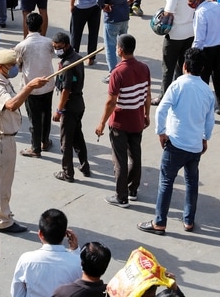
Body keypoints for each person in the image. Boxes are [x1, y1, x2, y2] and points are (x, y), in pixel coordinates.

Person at [137, 48, 215, 235]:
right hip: (195, 146)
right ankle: (188, 221)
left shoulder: (177, 85)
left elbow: (162, 109)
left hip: (175, 144)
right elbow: (209, 119)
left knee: (166, 182)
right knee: (191, 182)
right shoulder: (207, 91)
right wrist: (205, 138)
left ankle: (160, 222)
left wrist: (161, 132)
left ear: (184, 66)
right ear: (202, 68)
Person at [0, 49, 48, 233]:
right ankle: (3, 219)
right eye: (12, 66)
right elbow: (10, 105)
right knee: (3, 178)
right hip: (2, 137)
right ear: (2, 67)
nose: (15, 69)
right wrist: (29, 88)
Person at [95, 34, 151, 205]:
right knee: (135, 155)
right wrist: (146, 114)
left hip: (120, 122)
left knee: (120, 160)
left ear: (120, 49)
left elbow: (111, 101)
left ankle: (121, 196)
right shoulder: (144, 68)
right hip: (137, 120)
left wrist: (102, 123)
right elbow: (147, 95)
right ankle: (133, 189)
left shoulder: (117, 72)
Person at [187, 0, 220, 118]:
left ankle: (202, 110)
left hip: (205, 50)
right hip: (217, 47)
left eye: (190, 1)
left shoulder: (200, 12)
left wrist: (192, 55)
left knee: (202, 81)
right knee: (218, 77)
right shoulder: (216, 5)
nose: (189, 3)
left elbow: (199, 39)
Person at [11, 208, 82, 296]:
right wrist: (75, 251)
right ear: (65, 234)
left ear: (40, 234)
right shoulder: (77, 263)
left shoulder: (26, 260)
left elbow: (17, 293)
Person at [14, 12, 55, 158]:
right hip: (48, 83)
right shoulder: (49, 42)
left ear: (27, 25)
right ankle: (44, 141)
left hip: (31, 87)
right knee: (46, 113)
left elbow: (17, 66)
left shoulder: (21, 46)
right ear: (41, 26)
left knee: (34, 118)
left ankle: (35, 148)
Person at [52, 32, 90, 182]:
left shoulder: (68, 65)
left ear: (66, 46)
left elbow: (66, 90)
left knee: (66, 142)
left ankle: (67, 173)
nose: (56, 50)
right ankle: (84, 165)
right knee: (77, 137)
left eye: (59, 47)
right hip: (79, 104)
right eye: (54, 47)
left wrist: (59, 110)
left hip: (70, 106)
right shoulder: (76, 58)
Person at [151, 0, 194, 105]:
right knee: (182, 66)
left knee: (168, 67)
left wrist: (161, 15)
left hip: (175, 34)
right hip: (190, 32)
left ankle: (163, 96)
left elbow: (168, 12)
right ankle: (179, 94)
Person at [97, 0, 144, 83]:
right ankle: (127, 71)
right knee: (125, 46)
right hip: (124, 15)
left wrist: (103, 6)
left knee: (110, 47)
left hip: (112, 17)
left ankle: (113, 74)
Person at [69, 0, 101, 66]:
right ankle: (91, 58)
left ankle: (73, 58)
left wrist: (71, 5)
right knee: (93, 33)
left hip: (81, 7)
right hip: (95, 6)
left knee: (75, 34)